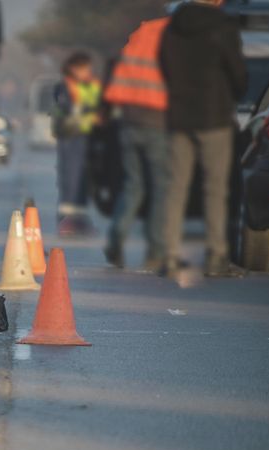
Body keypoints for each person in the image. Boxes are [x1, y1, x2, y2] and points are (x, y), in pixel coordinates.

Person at [159, 0, 247, 282]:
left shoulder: (172, 27)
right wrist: (235, 94)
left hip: (179, 115)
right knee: (215, 188)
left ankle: (170, 253)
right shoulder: (223, 27)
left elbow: (163, 65)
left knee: (176, 187)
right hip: (214, 115)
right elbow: (237, 71)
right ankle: (216, 256)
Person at [102, 16, 171, 272]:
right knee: (160, 188)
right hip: (159, 121)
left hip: (129, 120)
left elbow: (120, 75)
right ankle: (156, 250)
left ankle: (115, 239)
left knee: (134, 186)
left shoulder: (141, 35)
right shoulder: (171, 36)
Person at [52, 52, 103, 237]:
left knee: (84, 180)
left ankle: (79, 221)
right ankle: (67, 221)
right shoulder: (65, 86)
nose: (88, 72)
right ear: (73, 68)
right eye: (84, 68)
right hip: (72, 136)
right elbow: (70, 112)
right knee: (71, 178)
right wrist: (93, 116)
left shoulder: (92, 85)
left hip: (89, 136)